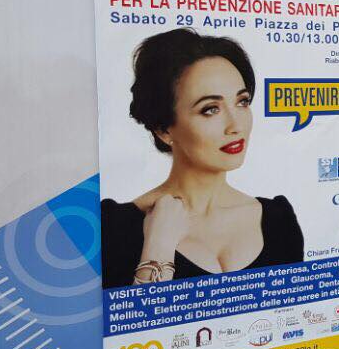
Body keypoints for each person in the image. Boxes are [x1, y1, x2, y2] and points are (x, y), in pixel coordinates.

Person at [102, 28, 303, 287]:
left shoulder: (278, 219)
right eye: (210, 109)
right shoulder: (114, 227)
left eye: (242, 102)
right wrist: (158, 247)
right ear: (164, 129)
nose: (236, 126)